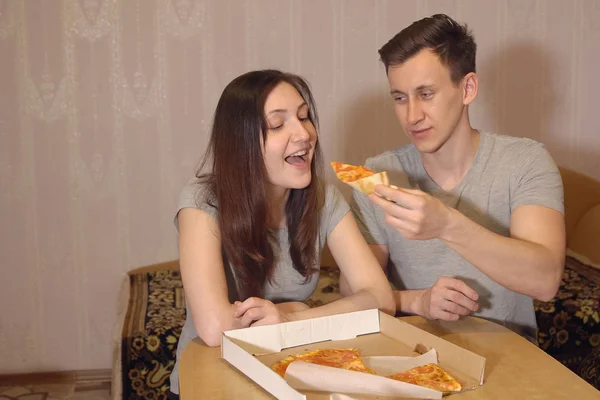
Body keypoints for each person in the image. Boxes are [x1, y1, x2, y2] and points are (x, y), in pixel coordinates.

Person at [168, 70, 395, 397]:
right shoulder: (202, 201)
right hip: (211, 380)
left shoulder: (324, 200)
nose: (303, 133)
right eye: (277, 124)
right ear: (241, 142)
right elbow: (215, 329)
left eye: (304, 117)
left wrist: (289, 318)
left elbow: (380, 297)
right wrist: (299, 312)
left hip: (290, 378)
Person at [342, 14, 565, 342]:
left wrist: (446, 225)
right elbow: (355, 291)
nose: (412, 116)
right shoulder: (378, 173)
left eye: (426, 94)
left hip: (511, 363)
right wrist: (418, 301)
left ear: (468, 88)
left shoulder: (526, 161)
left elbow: (545, 280)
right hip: (411, 356)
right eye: (400, 98)